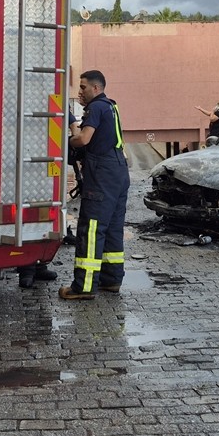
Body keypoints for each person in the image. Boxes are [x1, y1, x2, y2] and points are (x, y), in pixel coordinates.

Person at [59, 70, 130, 301]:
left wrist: (66, 141)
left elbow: (84, 139)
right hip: (118, 170)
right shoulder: (111, 105)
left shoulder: (96, 107)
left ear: (95, 88)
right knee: (112, 227)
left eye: (82, 88)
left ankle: (84, 286)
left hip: (102, 173)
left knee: (91, 228)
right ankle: (111, 280)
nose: (80, 92)